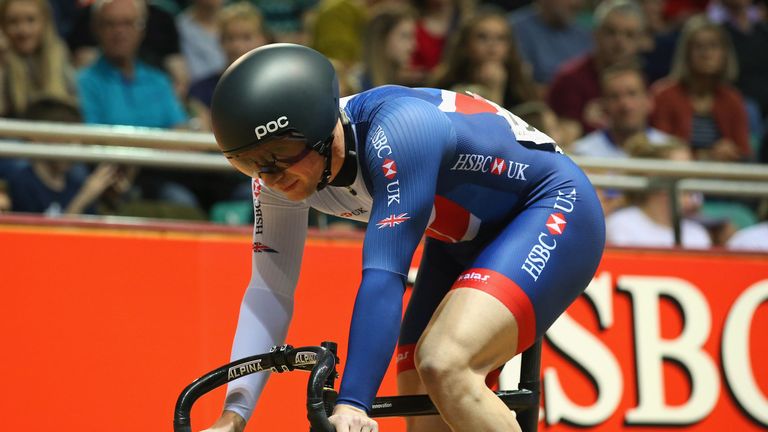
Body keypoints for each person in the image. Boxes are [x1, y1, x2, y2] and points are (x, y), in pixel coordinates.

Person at [203, 43, 605, 432]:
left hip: (552, 206)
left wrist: (353, 403)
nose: (270, 176)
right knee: (418, 393)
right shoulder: (277, 178)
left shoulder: (399, 131)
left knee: (444, 362)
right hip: (460, 239)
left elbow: (384, 275)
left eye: (280, 152)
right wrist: (232, 416)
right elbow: (269, 291)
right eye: (248, 163)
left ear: (321, 129)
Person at [649, 14, 751, 162]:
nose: (706, 54)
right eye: (699, 47)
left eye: (713, 46)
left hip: (723, 179)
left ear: (725, 54)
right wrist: (707, 156)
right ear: (686, 53)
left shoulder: (733, 99)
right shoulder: (664, 96)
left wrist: (731, 152)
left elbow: (744, 153)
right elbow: (659, 149)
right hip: (676, 179)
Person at [547, 0, 645, 134]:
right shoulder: (570, 79)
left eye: (629, 35)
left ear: (640, 41)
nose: (620, 42)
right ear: (595, 34)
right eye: (611, 32)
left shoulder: (642, 78)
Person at [431, 7, 539, 109]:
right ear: (466, 45)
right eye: (482, 37)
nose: (492, 45)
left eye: (501, 38)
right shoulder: (448, 88)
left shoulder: (520, 88)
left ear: (510, 48)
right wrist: (494, 91)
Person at [570, 63, 673, 158]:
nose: (625, 105)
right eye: (614, 97)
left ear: (648, 101)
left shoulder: (670, 152)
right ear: (603, 105)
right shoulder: (582, 154)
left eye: (632, 94)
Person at [0, 0, 78, 117]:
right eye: (13, 22)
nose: (23, 31)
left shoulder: (59, 55)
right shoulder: (3, 61)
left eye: (31, 20)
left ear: (45, 22)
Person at [356, 2, 418, 91]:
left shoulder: (400, 84)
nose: (413, 45)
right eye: (405, 36)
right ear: (382, 39)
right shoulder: (356, 87)